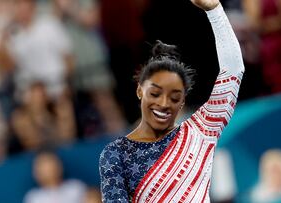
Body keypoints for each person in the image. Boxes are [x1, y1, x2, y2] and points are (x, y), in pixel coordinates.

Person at [99, 0, 245, 202]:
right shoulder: (117, 154)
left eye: (174, 96)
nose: (164, 103)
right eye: (155, 93)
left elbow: (234, 71)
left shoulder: (201, 131)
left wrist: (214, 10)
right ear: (140, 91)